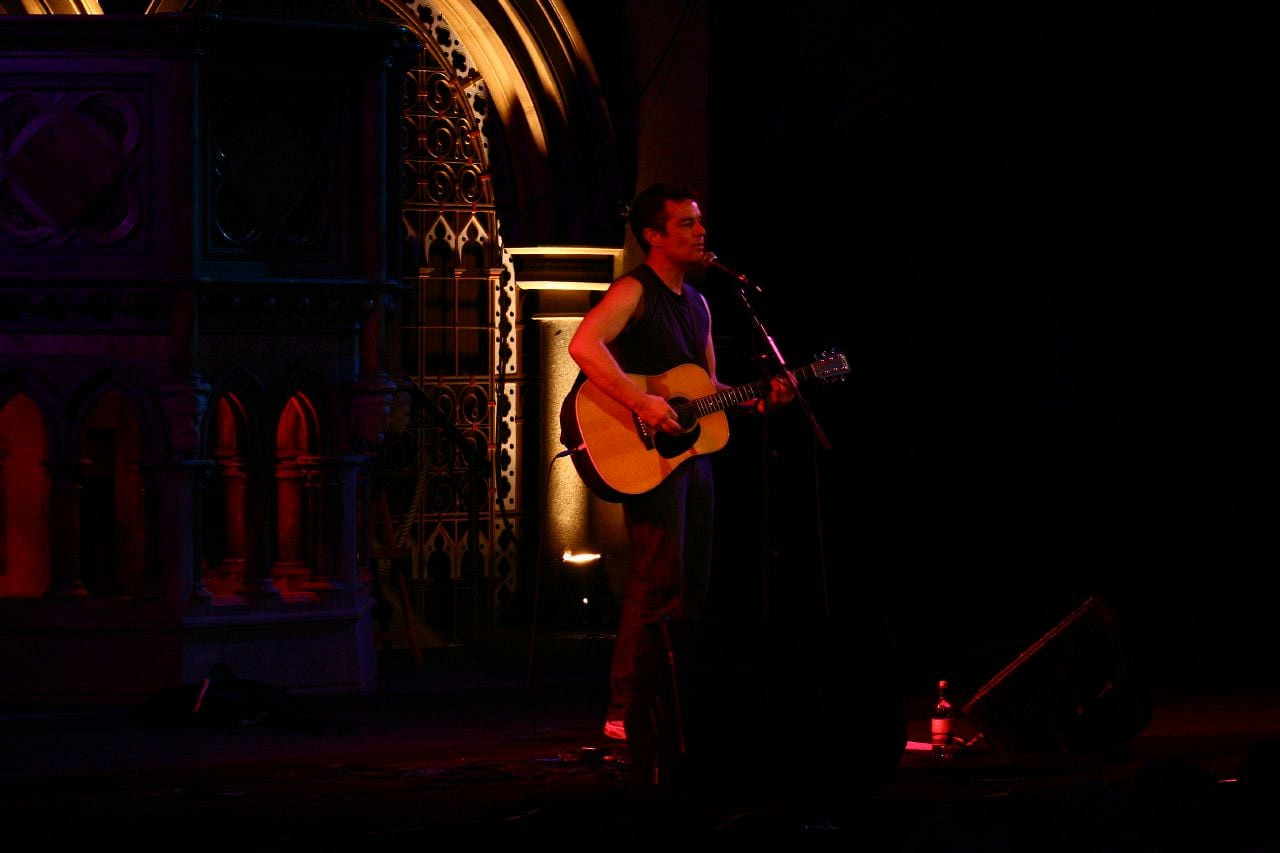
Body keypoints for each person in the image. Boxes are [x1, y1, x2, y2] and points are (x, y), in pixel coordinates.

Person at [566, 182, 794, 742]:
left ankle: (670, 699)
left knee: (691, 584)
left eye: (700, 222)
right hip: (643, 451)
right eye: (687, 223)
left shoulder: (699, 303)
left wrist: (756, 395)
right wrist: (641, 401)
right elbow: (584, 345)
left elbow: (705, 387)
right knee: (655, 580)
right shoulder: (633, 290)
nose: (701, 232)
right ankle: (623, 710)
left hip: (691, 456)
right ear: (654, 235)